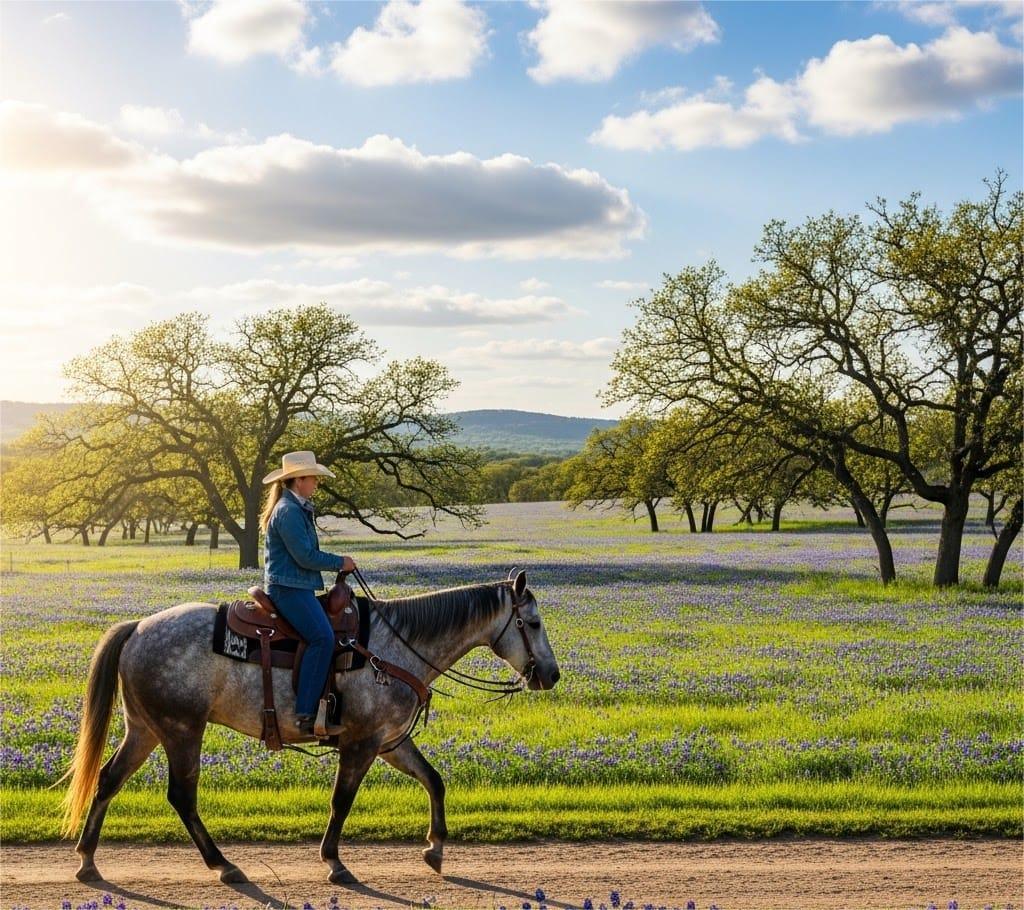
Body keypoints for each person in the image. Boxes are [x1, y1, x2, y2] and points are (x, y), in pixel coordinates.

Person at [260, 451, 356, 736]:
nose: (316, 482)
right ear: (298, 480)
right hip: (288, 589)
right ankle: (305, 713)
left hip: (296, 585)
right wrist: (340, 562)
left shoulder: (297, 507)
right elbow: (305, 556)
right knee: (322, 637)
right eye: (312, 477)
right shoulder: (288, 512)